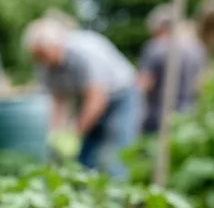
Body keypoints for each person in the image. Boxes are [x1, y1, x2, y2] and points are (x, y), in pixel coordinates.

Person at [22, 16, 139, 178]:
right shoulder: (46, 65)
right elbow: (58, 100)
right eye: (37, 57)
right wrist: (55, 133)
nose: (42, 62)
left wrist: (75, 132)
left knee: (114, 153)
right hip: (88, 100)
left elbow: (97, 99)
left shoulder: (83, 54)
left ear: (55, 45)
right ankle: (84, 193)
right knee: (85, 155)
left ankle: (117, 195)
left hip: (120, 95)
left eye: (43, 54)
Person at [138, 4, 207, 134]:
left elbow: (145, 83)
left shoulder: (155, 47)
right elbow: (201, 84)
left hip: (158, 116)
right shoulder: (197, 49)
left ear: (160, 27)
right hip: (188, 117)